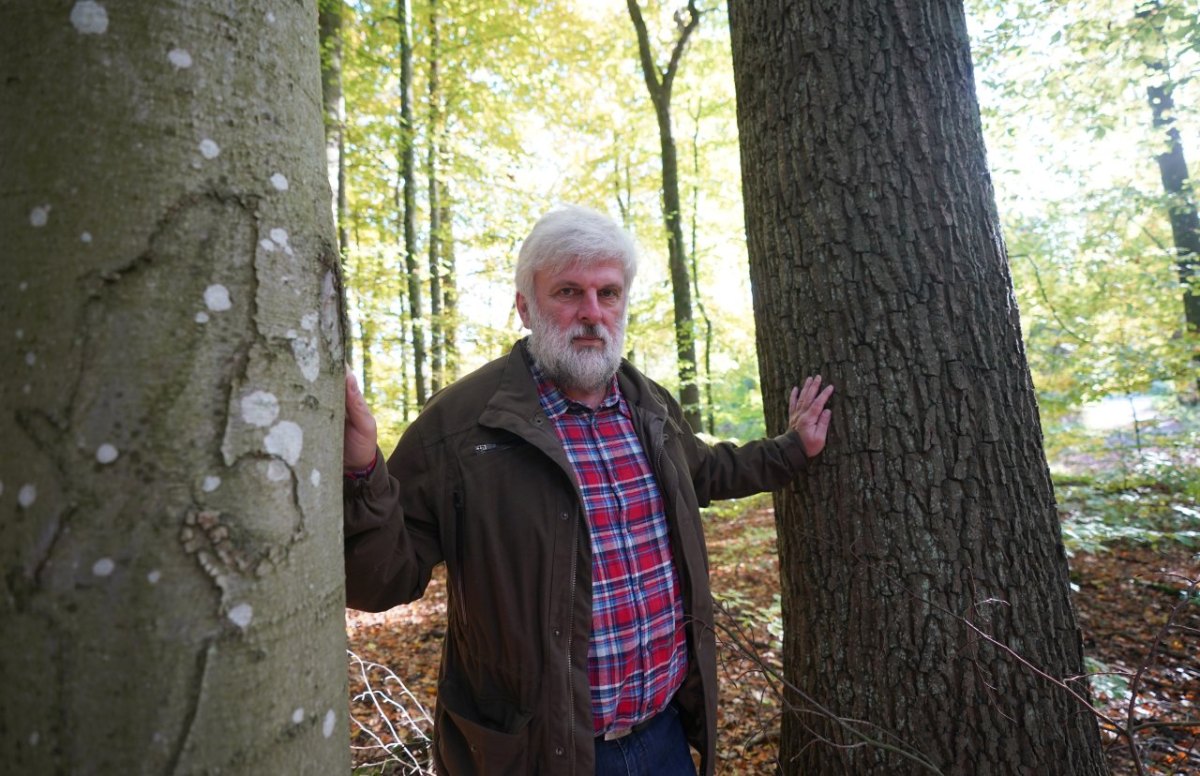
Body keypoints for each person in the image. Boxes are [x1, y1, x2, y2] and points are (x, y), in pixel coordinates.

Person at [342, 204, 833, 776]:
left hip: (664, 738)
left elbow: (706, 471)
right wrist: (360, 475)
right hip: (536, 755)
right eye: (569, 291)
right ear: (525, 306)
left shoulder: (647, 403)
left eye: (609, 293)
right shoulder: (461, 426)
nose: (592, 313)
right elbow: (381, 580)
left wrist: (792, 449)